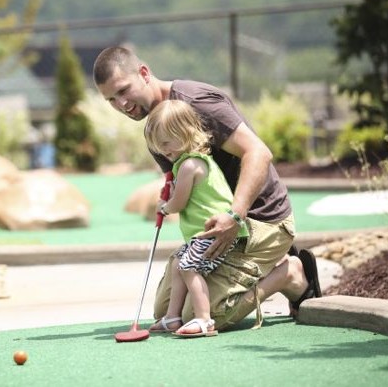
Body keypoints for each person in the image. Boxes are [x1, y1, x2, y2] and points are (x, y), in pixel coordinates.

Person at [93, 46, 321, 334]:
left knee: (205, 313)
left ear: (144, 73)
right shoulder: (157, 126)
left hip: (261, 219)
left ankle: (289, 274)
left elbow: (259, 153)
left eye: (124, 90)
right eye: (111, 99)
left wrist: (234, 215)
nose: (122, 104)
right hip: (218, 227)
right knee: (167, 313)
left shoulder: (196, 103)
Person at [144, 99, 250, 337]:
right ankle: (172, 317)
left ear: (184, 132)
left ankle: (204, 320)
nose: (162, 150)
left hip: (215, 232)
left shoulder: (190, 165)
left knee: (190, 267)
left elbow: (178, 203)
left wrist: (164, 207)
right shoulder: (188, 162)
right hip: (202, 234)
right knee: (181, 263)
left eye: (165, 143)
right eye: (157, 146)